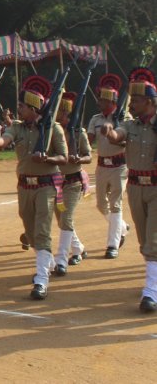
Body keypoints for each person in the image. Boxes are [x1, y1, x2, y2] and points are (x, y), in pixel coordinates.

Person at [0, 75, 67, 300]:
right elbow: (5, 139)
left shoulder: (53, 128)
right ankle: (47, 262)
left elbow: (64, 158)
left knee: (42, 230)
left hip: (46, 186)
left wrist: (46, 159)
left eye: (22, 107)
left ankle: (41, 279)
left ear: (34, 108)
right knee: (30, 230)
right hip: (24, 186)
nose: (18, 110)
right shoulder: (18, 128)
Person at [100, 67, 157, 313]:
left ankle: (151, 292)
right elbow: (117, 135)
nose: (132, 104)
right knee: (145, 240)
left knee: (153, 240)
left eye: (136, 100)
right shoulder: (130, 125)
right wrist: (109, 132)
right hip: (135, 186)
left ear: (150, 102)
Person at [86, 73, 132, 259]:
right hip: (101, 165)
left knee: (115, 204)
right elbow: (88, 140)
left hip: (120, 166)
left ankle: (112, 244)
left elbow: (126, 142)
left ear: (112, 100)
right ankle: (121, 226)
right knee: (100, 204)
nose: (99, 102)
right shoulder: (96, 119)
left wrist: (114, 132)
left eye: (103, 99)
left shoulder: (124, 118)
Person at [52, 92, 91, 276]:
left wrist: (78, 158)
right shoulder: (54, 130)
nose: (58, 114)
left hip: (73, 181)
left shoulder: (79, 132)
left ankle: (61, 260)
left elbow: (88, 156)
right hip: (56, 181)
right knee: (61, 220)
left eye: (61, 111)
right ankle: (78, 249)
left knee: (66, 218)